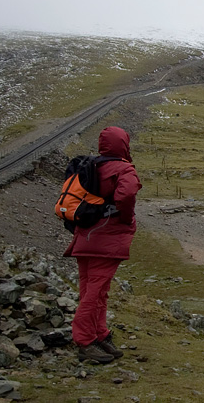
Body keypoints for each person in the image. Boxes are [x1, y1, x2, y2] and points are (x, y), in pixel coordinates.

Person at [64, 126, 142, 363]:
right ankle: (85, 340)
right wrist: (126, 218)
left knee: (92, 289)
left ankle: (99, 333)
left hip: (85, 236)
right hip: (107, 239)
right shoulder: (124, 168)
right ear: (124, 144)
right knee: (96, 290)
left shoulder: (91, 165)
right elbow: (126, 196)